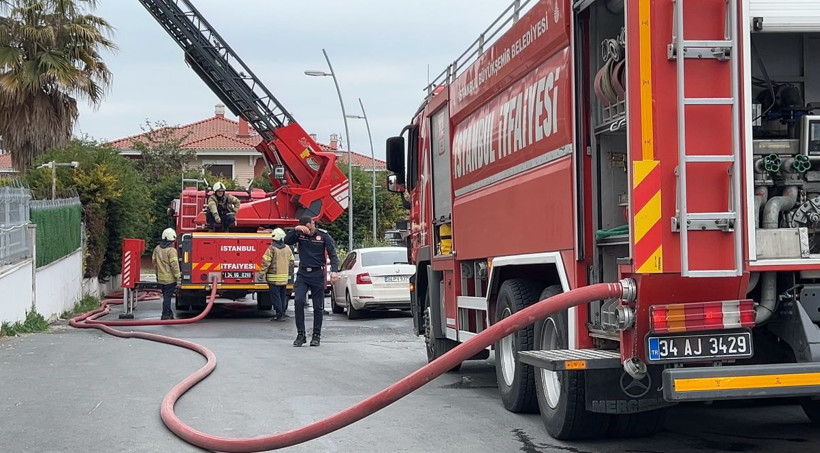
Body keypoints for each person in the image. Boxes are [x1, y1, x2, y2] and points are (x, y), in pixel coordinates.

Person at [284, 216, 339, 347]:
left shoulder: (323, 236)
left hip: (317, 274)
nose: (308, 229)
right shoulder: (299, 234)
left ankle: (316, 335)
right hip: (303, 274)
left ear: (311, 224)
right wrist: (296, 229)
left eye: (309, 226)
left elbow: (333, 254)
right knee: (298, 301)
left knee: (318, 307)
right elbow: (286, 241)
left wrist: (334, 272)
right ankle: (301, 334)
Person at [259, 228, 294, 321]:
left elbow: (266, 262)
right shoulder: (287, 248)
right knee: (282, 296)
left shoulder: (271, 248)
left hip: (273, 278)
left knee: (275, 297)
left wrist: (261, 274)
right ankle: (282, 312)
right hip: (284, 278)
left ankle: (279, 314)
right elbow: (291, 261)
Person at [152, 228, 181, 320]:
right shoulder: (171, 250)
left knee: (165, 296)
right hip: (170, 279)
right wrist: (178, 278)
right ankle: (165, 314)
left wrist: (157, 275)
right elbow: (175, 266)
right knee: (167, 298)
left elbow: (154, 262)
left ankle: (169, 313)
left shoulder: (157, 248)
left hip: (161, 278)